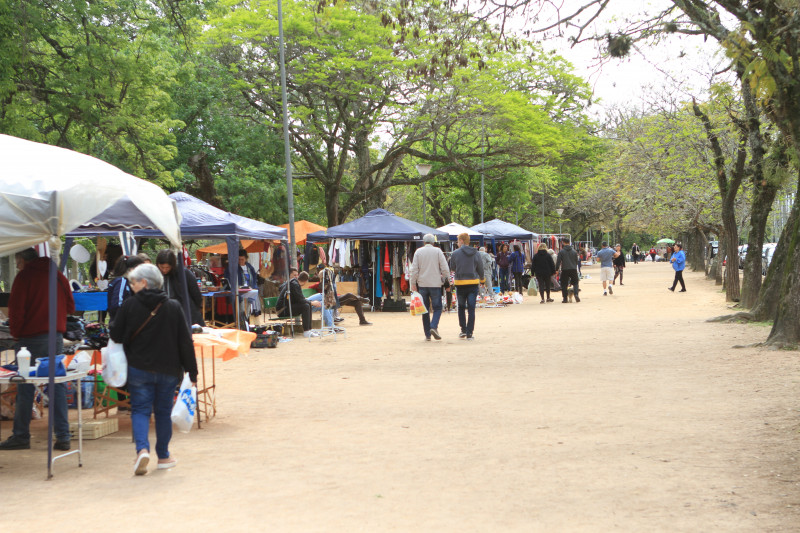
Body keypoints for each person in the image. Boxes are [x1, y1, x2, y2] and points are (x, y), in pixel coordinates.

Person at [109, 264, 197, 475]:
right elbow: (185, 342)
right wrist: (192, 372)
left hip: (139, 368)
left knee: (140, 410)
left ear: (144, 283)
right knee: (163, 412)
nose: (131, 286)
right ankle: (164, 455)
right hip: (168, 369)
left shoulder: (129, 305)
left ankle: (142, 450)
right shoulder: (174, 306)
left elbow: (116, 335)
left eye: (133, 282)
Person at [0, 248, 75, 451]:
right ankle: (63, 436)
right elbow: (71, 306)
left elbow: (16, 310)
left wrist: (16, 333)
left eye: (17, 263)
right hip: (55, 337)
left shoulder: (25, 277)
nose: (17, 266)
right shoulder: (58, 276)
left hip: (29, 339)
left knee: (25, 386)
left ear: (23, 260)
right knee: (56, 385)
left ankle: (21, 435)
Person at [409, 233, 450, 341]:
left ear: (423, 242)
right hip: (435, 284)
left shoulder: (418, 252)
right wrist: (446, 281)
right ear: (433, 242)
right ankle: (433, 326)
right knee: (437, 308)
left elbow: (414, 270)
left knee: (425, 309)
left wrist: (413, 283)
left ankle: (427, 334)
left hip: (422, 284)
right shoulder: (438, 251)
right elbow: (445, 268)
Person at [155, 250, 205, 326]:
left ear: (173, 265)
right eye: (162, 267)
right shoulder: (155, 275)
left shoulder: (183, 273)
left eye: (167, 267)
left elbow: (196, 293)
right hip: (164, 315)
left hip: (186, 314)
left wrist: (196, 308)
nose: (164, 270)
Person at [449, 233, 484, 340]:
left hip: (460, 283)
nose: (457, 243)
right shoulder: (476, 253)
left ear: (462, 241)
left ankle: (463, 330)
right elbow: (480, 268)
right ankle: (470, 332)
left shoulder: (455, 253)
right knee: (471, 308)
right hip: (473, 283)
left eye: (458, 241)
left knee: (461, 307)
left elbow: (452, 267)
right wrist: (482, 279)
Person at [276, 268, 317, 337]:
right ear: (306, 281)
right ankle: (306, 331)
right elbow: (301, 300)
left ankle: (309, 329)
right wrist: (312, 303)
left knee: (307, 304)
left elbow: (300, 298)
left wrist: (309, 302)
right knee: (306, 306)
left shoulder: (294, 283)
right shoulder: (294, 284)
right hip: (282, 310)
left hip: (286, 307)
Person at [107, 255, 145, 325]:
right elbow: (117, 305)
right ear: (132, 269)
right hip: (120, 324)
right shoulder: (122, 281)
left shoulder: (127, 282)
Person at [236, 248, 262, 318]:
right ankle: (242, 322)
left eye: (242, 259)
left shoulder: (250, 267)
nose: (240, 261)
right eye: (239, 259)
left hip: (249, 291)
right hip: (239, 293)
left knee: (247, 309)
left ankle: (245, 321)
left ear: (246, 259)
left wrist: (253, 287)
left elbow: (254, 278)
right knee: (241, 309)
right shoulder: (235, 267)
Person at [555, 237, 581, 303]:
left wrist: (556, 269)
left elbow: (558, 261)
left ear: (563, 243)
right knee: (575, 283)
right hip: (573, 269)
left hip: (565, 269)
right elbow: (576, 261)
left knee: (564, 284)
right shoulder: (574, 251)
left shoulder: (561, 251)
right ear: (569, 243)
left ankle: (565, 298)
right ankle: (576, 294)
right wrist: (574, 266)